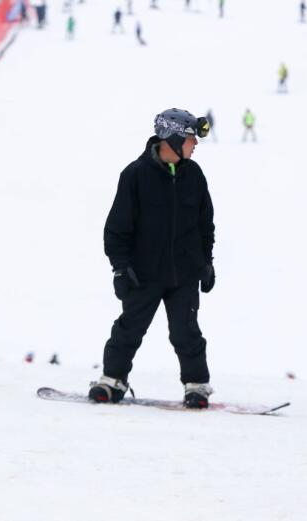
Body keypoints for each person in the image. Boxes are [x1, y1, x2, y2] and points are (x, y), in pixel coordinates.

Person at [89, 109, 216, 408]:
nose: (194, 144)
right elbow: (117, 229)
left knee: (186, 332)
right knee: (129, 328)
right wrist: (121, 269)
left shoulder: (194, 176)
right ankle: (112, 380)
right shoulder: (135, 175)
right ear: (171, 139)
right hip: (143, 273)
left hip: (183, 273)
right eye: (189, 139)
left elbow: (204, 224)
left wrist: (206, 263)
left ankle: (196, 385)